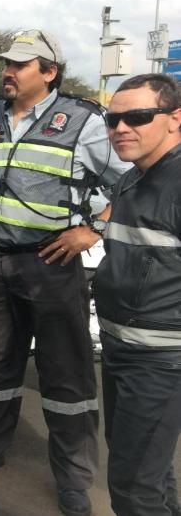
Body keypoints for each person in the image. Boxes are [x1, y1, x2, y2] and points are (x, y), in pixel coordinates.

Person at [0, 29, 132, 516]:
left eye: (19, 65)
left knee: (65, 372)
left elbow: (133, 181)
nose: (8, 70)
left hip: (49, 263)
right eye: (7, 63)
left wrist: (95, 230)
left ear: (49, 72)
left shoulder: (83, 122)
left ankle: (72, 477)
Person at [93, 73, 181, 516]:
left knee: (132, 488)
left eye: (138, 117)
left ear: (174, 119)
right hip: (119, 348)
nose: (121, 128)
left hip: (161, 360)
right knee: (149, 471)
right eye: (114, 119)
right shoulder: (130, 180)